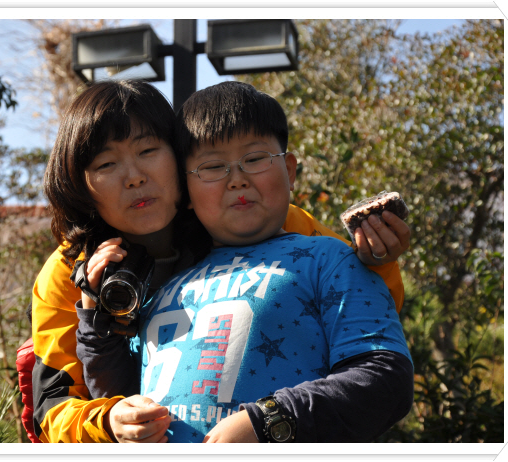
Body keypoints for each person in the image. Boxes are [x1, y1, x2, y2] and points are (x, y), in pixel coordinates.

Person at [32, 80, 411, 443]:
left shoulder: (264, 218)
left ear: (179, 158)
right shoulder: (68, 273)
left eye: (147, 151)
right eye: (105, 164)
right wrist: (110, 419)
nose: (134, 177)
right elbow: (52, 405)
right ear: (78, 185)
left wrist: (378, 257)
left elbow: (361, 304)